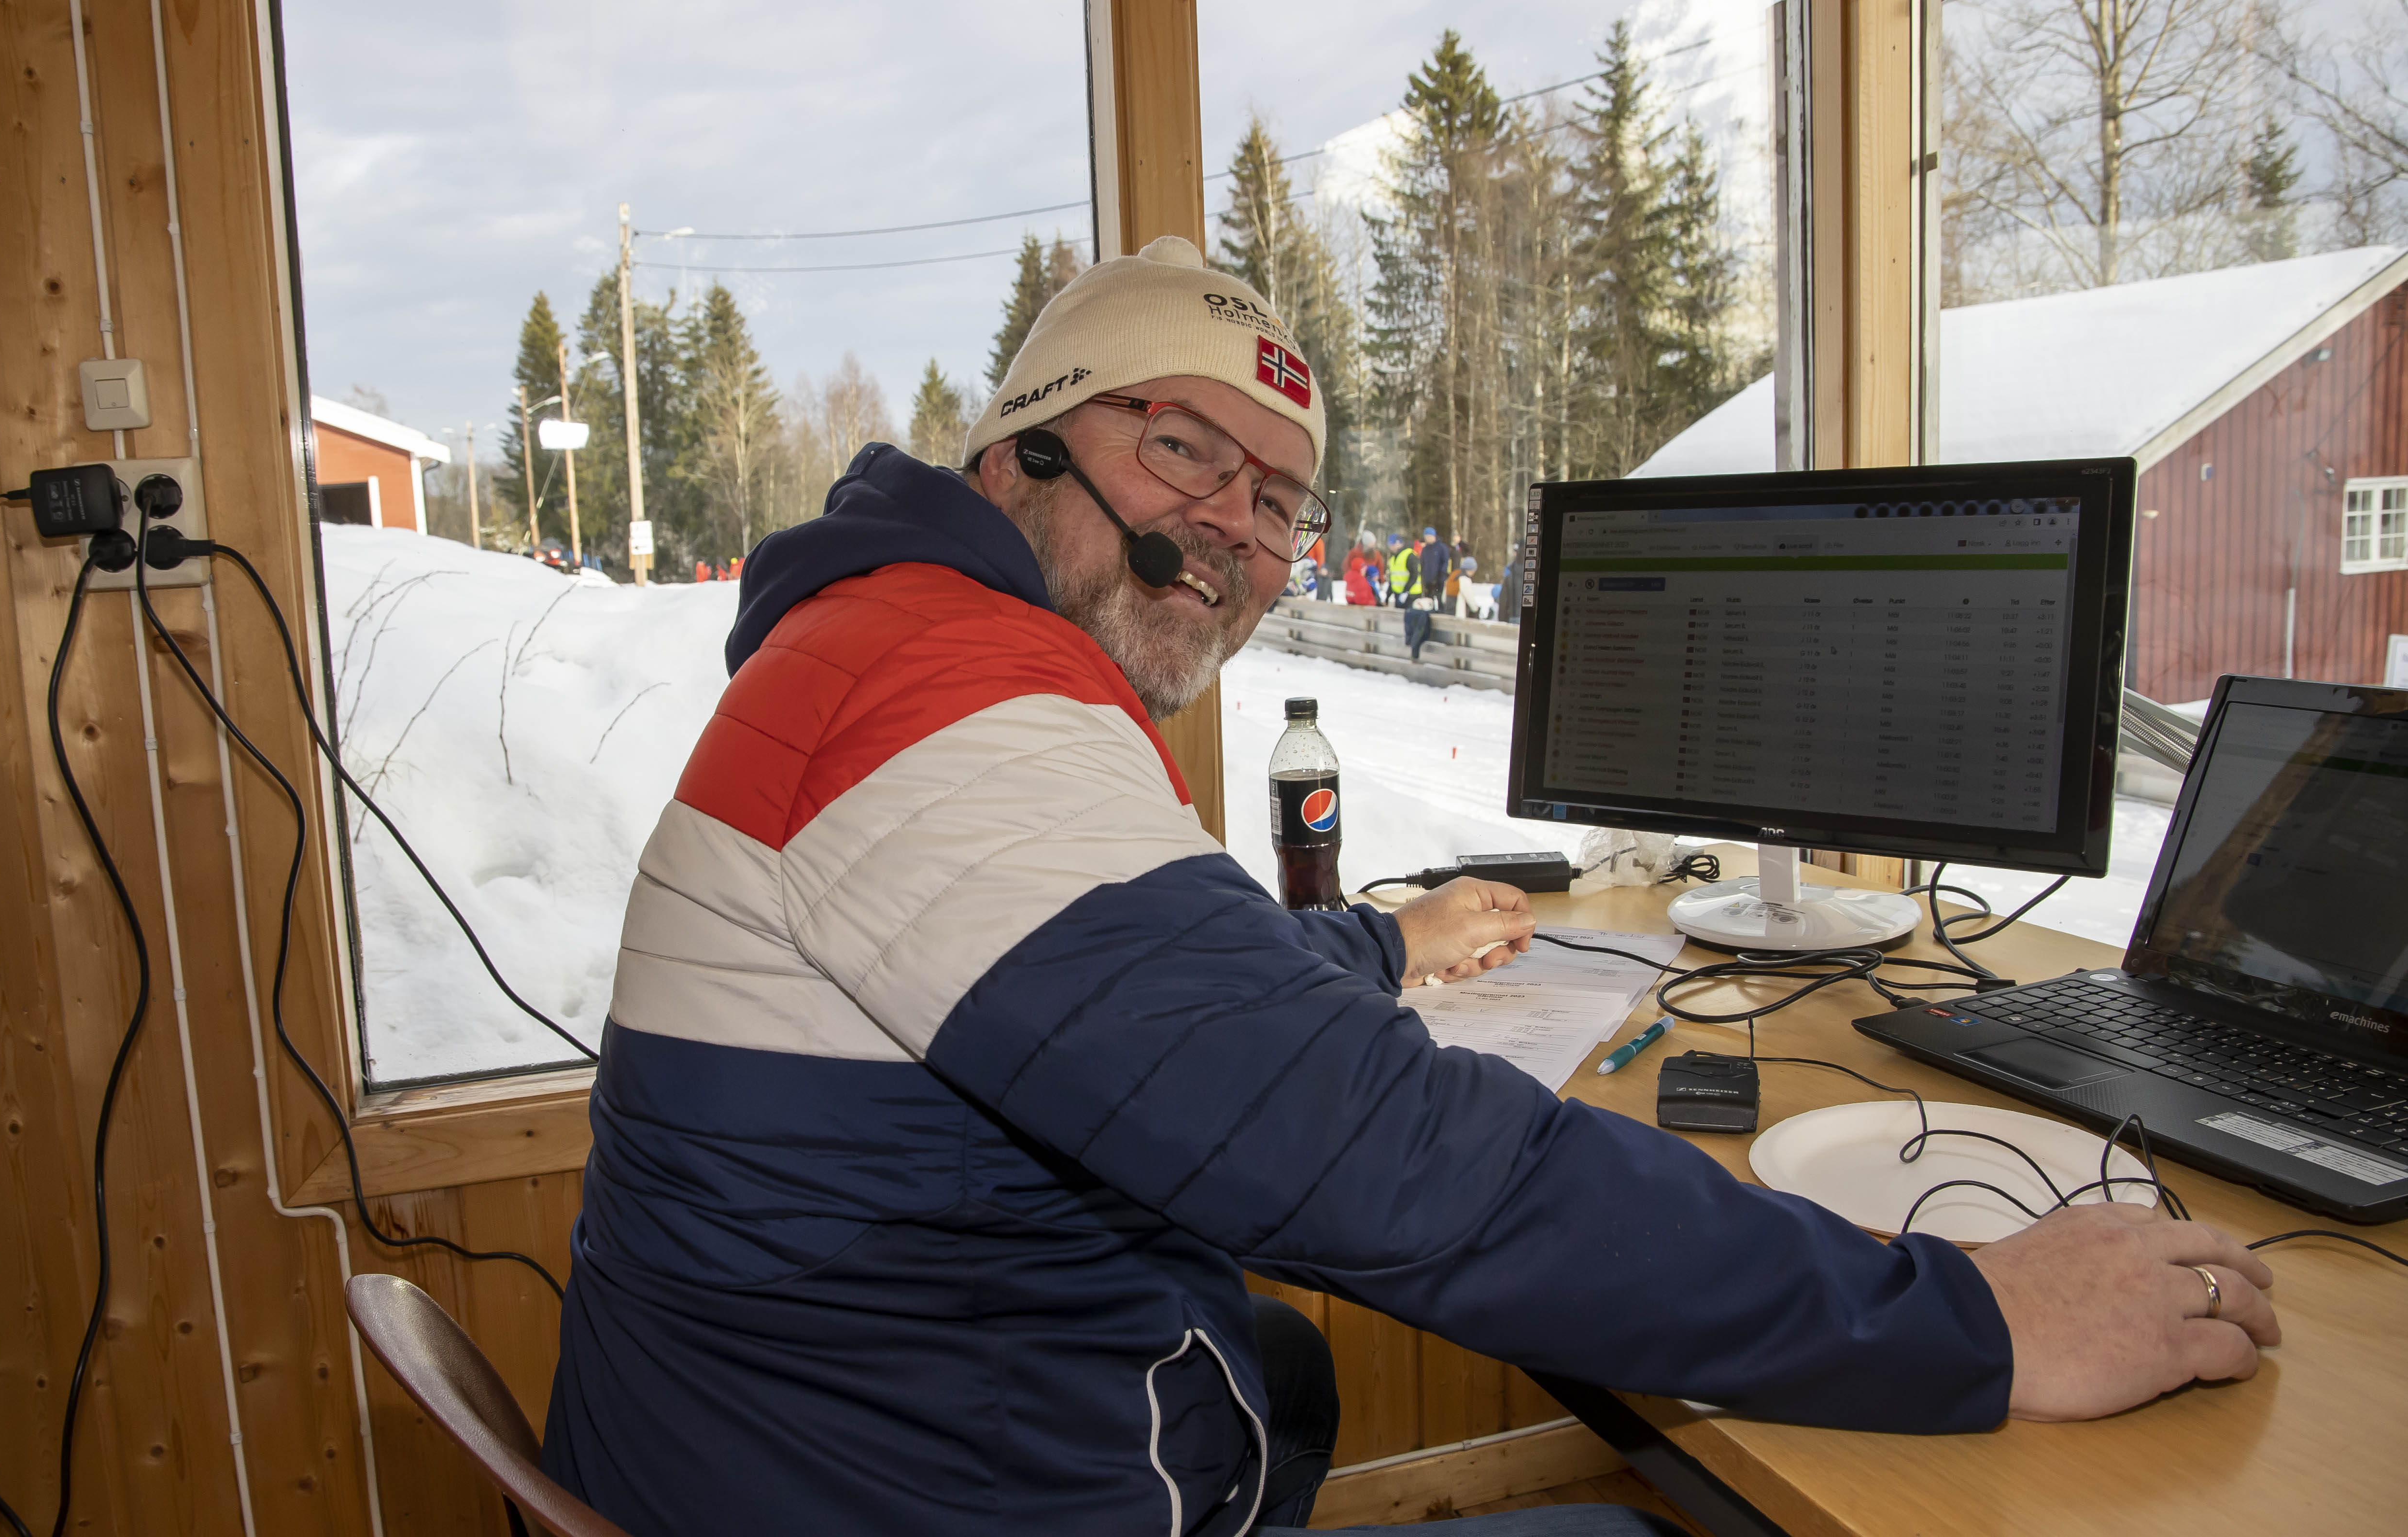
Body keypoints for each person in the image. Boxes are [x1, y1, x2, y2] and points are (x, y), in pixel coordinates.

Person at [543, 236, 2281, 1537]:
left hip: (845, 1441)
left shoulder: (895, 652)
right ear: (1022, 446)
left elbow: (1152, 993)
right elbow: (1385, 1159)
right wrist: (1971, 1315)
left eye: (1278, 501)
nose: (1234, 529)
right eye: (1184, 450)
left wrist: (1378, 938)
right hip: (934, 1483)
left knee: (1296, 1373)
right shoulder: (937, 702)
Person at [1417, 526, 1451, 617]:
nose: (1428, 539)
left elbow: (1445, 562)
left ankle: (1442, 616)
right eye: (1426, 537)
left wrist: (1442, 575)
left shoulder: (1442, 548)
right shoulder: (1425, 549)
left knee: (1440, 601)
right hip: (1428, 580)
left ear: (1434, 536)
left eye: (1429, 537)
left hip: (1439, 580)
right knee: (1429, 602)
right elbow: (1423, 564)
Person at [1343, 539, 1374, 606]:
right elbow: (1362, 601)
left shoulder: (1351, 579)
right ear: (1359, 569)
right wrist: (1374, 603)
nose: (1365, 569)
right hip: (1365, 610)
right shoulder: (1361, 581)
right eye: (1364, 568)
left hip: (1352, 607)